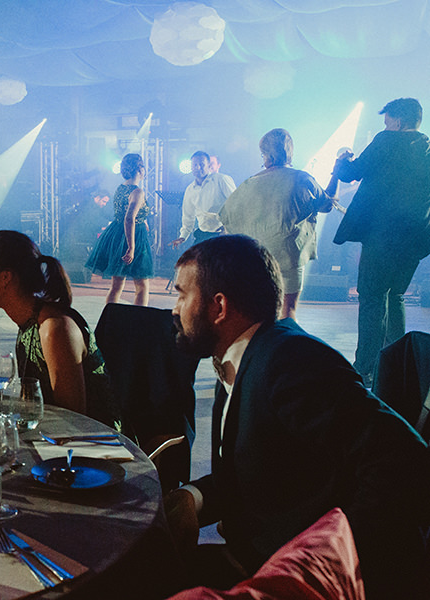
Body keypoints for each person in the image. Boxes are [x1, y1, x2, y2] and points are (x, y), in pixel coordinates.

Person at [164, 234, 430, 598]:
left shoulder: (291, 360)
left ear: (219, 306)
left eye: (181, 294)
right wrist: (193, 497)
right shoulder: (245, 357)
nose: (174, 309)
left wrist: (320, 563)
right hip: (258, 562)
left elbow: (406, 461)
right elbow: (258, 474)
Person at [0, 230, 119, 429]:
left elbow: (71, 420)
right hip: (57, 436)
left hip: (98, 442)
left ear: (5, 277)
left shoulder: (54, 329)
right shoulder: (30, 323)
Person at [332, 98, 430, 384]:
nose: (385, 126)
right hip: (414, 239)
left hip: (381, 237)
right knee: (396, 295)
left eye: (387, 121)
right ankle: (396, 365)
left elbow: (350, 174)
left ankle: (364, 367)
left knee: (372, 297)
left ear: (397, 121)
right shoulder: (427, 148)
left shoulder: (386, 141)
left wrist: (342, 159)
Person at [220, 129, 338, 320]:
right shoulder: (301, 178)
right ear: (289, 151)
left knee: (260, 310)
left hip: (257, 257)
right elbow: (327, 204)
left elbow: (227, 217)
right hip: (289, 255)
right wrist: (337, 173)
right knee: (288, 310)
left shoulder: (250, 183)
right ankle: (285, 339)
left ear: (266, 155)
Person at [84, 153, 153, 305]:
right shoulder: (138, 192)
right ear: (139, 169)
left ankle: (110, 316)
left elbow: (125, 213)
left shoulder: (121, 188)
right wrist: (131, 247)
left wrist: (143, 220)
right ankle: (140, 318)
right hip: (133, 237)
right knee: (142, 285)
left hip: (117, 234)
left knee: (116, 285)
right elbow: (129, 218)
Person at [170, 150, 236, 247]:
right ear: (191, 167)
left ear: (209, 166)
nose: (198, 167)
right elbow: (188, 216)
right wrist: (183, 236)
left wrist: (228, 228)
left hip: (222, 234)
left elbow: (237, 203)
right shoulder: (190, 189)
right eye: (195, 165)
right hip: (203, 234)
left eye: (201, 164)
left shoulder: (221, 179)